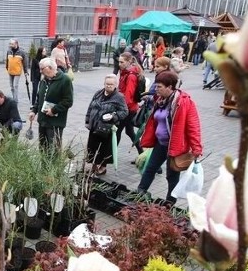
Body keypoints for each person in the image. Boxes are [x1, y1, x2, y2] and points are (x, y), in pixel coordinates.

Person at [137, 70, 203, 203]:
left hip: (175, 146)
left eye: (159, 87)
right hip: (160, 144)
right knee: (150, 168)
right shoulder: (161, 100)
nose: (156, 89)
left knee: (172, 176)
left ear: (170, 87)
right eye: (156, 86)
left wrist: (197, 148)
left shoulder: (184, 103)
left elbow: (193, 126)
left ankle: (170, 203)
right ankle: (140, 192)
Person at [85, 74, 128, 175]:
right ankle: (93, 166)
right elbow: (90, 107)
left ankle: (103, 167)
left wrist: (114, 116)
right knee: (91, 147)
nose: (108, 86)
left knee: (104, 149)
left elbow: (125, 111)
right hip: (95, 125)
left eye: (111, 84)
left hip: (107, 128)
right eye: (107, 84)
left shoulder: (119, 97)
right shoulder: (98, 93)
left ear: (115, 85)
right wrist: (87, 120)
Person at [29, 57, 73, 150]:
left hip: (55, 123)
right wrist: (34, 110)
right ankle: (43, 165)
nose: (40, 71)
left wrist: (54, 110)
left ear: (50, 67)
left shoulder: (65, 80)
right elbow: (39, 98)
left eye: (42, 69)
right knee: (43, 149)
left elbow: (68, 101)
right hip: (42, 121)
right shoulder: (43, 80)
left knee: (54, 151)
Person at [116, 52, 144, 157]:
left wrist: (121, 108)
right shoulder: (126, 73)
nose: (119, 64)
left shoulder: (131, 76)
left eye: (122, 62)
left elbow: (128, 95)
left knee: (117, 131)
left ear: (128, 62)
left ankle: (109, 156)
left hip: (128, 109)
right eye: (119, 61)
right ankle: (142, 154)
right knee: (129, 132)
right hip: (130, 108)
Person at [5, 39, 29, 104]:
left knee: (15, 86)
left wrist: (26, 71)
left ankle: (15, 101)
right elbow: (7, 60)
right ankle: (14, 98)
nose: (10, 45)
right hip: (10, 71)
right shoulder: (9, 51)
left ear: (16, 44)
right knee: (11, 87)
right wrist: (7, 67)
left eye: (12, 44)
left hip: (17, 72)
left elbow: (25, 62)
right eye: (10, 44)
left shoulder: (22, 52)